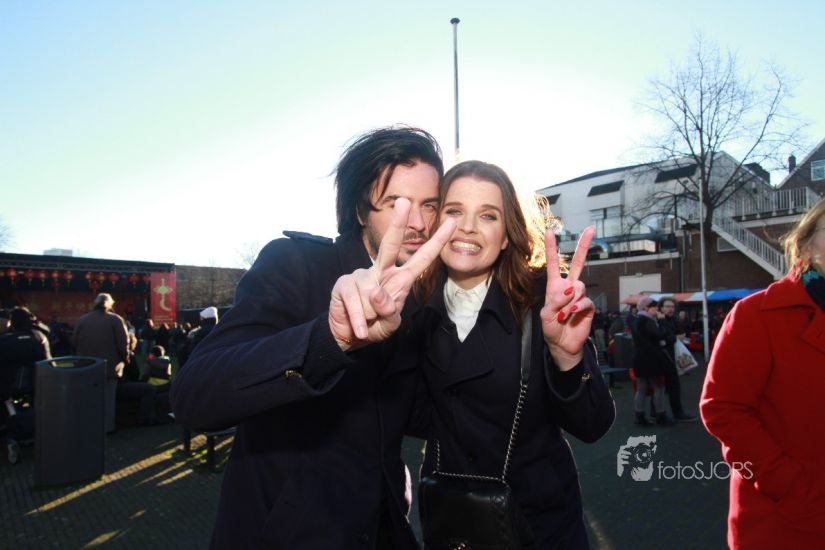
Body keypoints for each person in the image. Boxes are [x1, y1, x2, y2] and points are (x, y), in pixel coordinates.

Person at [170, 126, 456, 549]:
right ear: (360, 211)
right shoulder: (296, 264)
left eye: (429, 205)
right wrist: (332, 338)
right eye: (395, 203)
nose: (416, 222)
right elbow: (194, 396)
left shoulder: (416, 299)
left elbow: (422, 416)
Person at [411, 160, 615, 548]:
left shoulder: (540, 303)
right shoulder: (412, 307)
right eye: (454, 211)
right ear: (436, 223)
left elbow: (594, 425)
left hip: (539, 526)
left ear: (506, 236)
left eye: (488, 215)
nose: (468, 227)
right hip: (455, 523)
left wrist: (566, 357)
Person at [700, 199, 825, 548]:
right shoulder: (757, 314)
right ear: (805, 248)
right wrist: (786, 484)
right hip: (787, 520)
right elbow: (722, 409)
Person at [72, 293, 129, 433]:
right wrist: (126, 358)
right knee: (108, 399)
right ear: (110, 304)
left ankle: (87, 424)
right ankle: (107, 427)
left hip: (85, 366)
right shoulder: (115, 319)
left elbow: (74, 342)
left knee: (88, 398)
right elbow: (123, 343)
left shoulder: (83, 319)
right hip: (109, 367)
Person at [631, 296, 674, 426]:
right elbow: (660, 335)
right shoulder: (647, 321)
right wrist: (662, 321)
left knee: (641, 388)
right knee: (659, 387)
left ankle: (639, 415)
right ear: (646, 308)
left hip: (639, 358)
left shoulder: (637, 320)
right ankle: (661, 415)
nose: (657, 309)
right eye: (654, 307)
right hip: (652, 358)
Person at [658, 298, 697, 422]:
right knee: (665, 387)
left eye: (672, 307)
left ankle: (674, 412)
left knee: (671, 386)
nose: (670, 309)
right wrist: (675, 337)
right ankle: (675, 413)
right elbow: (663, 337)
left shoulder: (673, 320)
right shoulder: (659, 321)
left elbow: (679, 333)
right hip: (663, 357)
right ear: (661, 308)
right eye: (667, 306)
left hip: (672, 356)